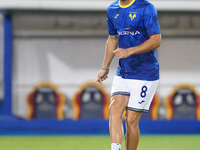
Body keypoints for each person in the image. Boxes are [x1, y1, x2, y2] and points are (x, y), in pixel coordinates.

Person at [96, 0, 161, 150]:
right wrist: (105, 68)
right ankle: (115, 148)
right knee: (114, 108)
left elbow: (156, 40)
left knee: (130, 120)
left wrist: (129, 51)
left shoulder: (146, 7)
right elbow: (113, 39)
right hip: (123, 72)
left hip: (145, 73)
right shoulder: (112, 9)